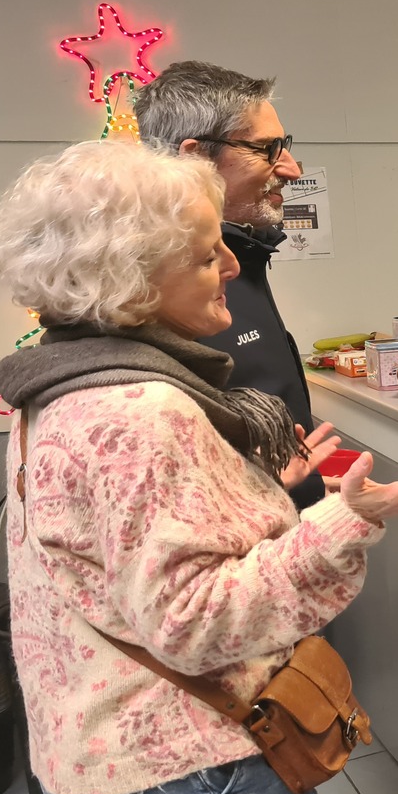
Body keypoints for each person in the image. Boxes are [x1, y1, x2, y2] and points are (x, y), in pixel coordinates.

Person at [0, 139, 398, 794]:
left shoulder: (57, 387)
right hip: (192, 777)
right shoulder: (140, 411)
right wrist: (343, 522)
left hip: (105, 766)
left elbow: (112, 562)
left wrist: (251, 492)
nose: (230, 264)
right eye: (203, 250)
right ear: (132, 279)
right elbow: (193, 623)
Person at [134, 60, 324, 508]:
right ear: (196, 157)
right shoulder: (148, 292)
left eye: (285, 146)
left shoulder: (247, 253)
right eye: (267, 149)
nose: (291, 169)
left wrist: (316, 496)